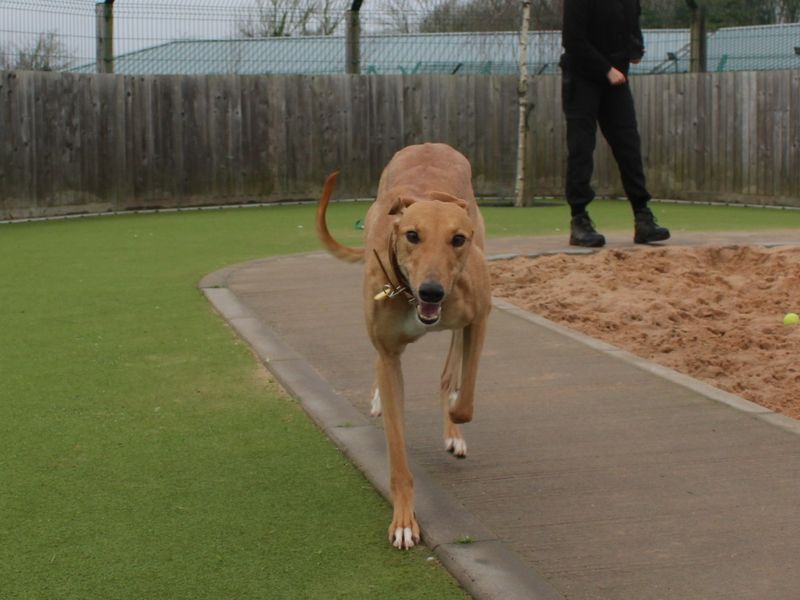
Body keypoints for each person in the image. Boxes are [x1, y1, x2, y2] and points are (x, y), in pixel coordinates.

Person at [560, 0, 670, 247]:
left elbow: (633, 26)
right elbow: (572, 40)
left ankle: (642, 217)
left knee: (629, 145)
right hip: (582, 78)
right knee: (581, 149)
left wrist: (635, 49)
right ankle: (579, 220)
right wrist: (606, 69)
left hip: (616, 80)